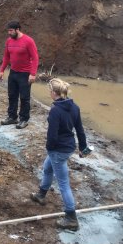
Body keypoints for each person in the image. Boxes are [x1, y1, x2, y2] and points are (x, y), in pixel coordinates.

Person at [30, 78, 90, 230]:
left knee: (63, 184)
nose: (49, 93)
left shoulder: (56, 110)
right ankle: (41, 194)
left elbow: (52, 136)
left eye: (49, 91)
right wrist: (83, 148)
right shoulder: (74, 107)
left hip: (58, 150)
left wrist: (50, 149)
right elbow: (80, 130)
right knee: (47, 168)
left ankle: (71, 218)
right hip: (68, 146)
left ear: (54, 93)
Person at [0, 20, 39, 129]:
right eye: (8, 31)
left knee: (24, 97)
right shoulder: (9, 41)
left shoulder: (28, 41)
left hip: (25, 73)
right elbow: (6, 57)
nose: (9, 33)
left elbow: (35, 58)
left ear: (17, 30)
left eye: (11, 31)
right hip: (13, 72)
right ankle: (12, 117)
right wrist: (2, 70)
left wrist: (33, 74)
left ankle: (24, 119)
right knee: (12, 95)